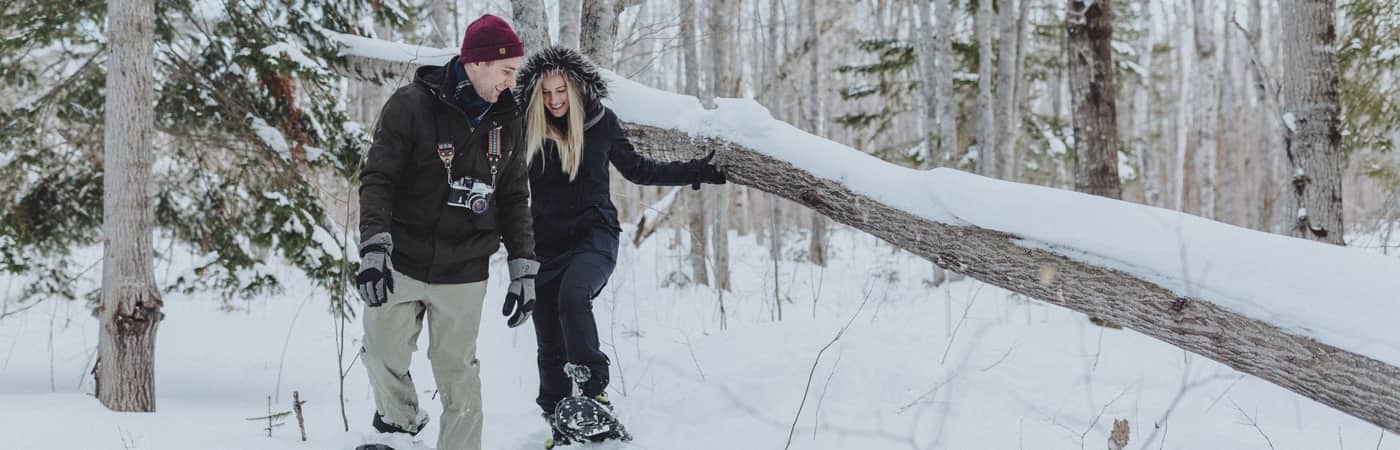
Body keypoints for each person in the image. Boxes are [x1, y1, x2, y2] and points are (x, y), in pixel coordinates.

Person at [514, 46, 727, 447]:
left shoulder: (601, 122)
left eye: (561, 91)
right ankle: (560, 419)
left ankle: (593, 391)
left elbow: (639, 170)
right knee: (548, 340)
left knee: (573, 296)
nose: (555, 100)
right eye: (546, 93)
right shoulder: (525, 128)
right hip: (545, 245)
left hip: (594, 236)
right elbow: (500, 184)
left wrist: (697, 171)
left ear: (576, 88)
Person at [355, 14, 539, 450]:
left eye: (515, 72)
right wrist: (375, 246)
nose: (511, 82)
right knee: (381, 351)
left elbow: (514, 196)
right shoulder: (411, 105)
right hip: (403, 256)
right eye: (506, 70)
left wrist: (523, 267)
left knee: (458, 371)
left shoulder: (508, 120)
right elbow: (378, 178)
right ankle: (400, 426)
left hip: (465, 267)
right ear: (476, 63)